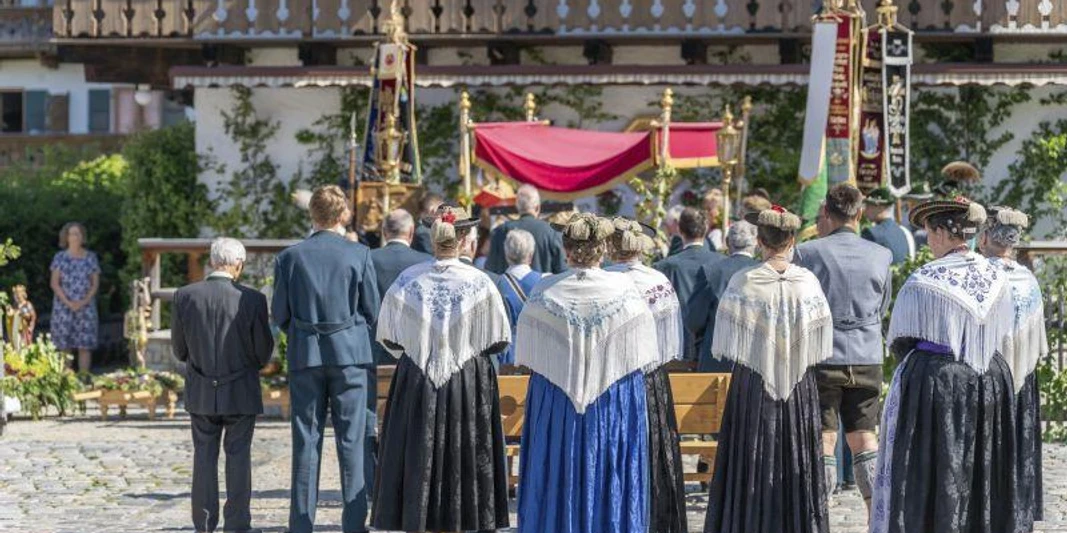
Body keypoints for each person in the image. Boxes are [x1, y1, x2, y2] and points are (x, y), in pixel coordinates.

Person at [871, 196, 1017, 533]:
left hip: (938, 383)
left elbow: (900, 340)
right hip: (989, 377)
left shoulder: (924, 279)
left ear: (939, 232)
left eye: (928, 232)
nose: (928, 240)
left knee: (935, 465)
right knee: (980, 462)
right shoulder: (996, 276)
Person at [372, 205, 512, 533]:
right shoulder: (480, 282)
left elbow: (389, 338)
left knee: (419, 450)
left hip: (418, 377)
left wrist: (421, 349)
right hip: (467, 379)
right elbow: (500, 339)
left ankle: (417, 518)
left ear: (431, 237)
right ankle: (468, 519)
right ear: (463, 239)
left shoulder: (408, 280)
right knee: (466, 451)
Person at [516, 212, 658, 533]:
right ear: (604, 248)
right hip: (611, 396)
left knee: (558, 468)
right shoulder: (624, 288)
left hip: (556, 397)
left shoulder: (545, 288)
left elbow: (525, 349)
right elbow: (643, 349)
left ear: (566, 249)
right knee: (608, 467)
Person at [703, 206, 833, 533]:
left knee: (750, 456)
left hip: (752, 381)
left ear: (760, 241)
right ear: (791, 241)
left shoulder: (742, 281)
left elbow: (725, 339)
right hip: (798, 382)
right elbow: (822, 338)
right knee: (795, 455)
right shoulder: (808, 282)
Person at [272, 185, 381, 533]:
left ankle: (301, 524)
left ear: (313, 214)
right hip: (349, 354)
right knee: (351, 441)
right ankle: (353, 523)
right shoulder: (359, 254)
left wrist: (306, 331)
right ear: (343, 214)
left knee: (306, 440)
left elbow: (280, 314)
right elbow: (372, 310)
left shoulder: (290, 257)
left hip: (307, 353)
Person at [793, 184, 893, 511]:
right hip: (866, 354)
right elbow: (883, 306)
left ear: (826, 213)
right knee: (865, 437)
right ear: (860, 213)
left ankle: (818, 515)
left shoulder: (807, 252)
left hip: (823, 355)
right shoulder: (881, 254)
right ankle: (875, 516)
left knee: (825, 438)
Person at [171, 237, 274, 533]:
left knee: (204, 456)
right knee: (238, 456)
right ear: (238, 265)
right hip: (240, 387)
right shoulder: (253, 299)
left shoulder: (185, 295)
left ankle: (203, 523)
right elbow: (263, 351)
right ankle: (238, 523)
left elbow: (179, 350)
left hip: (201, 388)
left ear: (212, 261)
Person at [605, 217, 687, 533]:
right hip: (650, 376)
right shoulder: (657, 282)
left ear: (612, 245)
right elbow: (670, 344)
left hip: (610, 377)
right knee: (653, 449)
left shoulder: (604, 280)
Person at [979, 205, 1048, 533]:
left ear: (985, 237)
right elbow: (1038, 342)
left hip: (987, 376)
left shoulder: (980, 275)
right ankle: (1017, 515)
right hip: (1022, 379)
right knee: (1017, 450)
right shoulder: (1028, 279)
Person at [685, 220, 760, 372]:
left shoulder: (710, 271)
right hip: (756, 361)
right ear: (756, 243)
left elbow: (694, 320)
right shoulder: (765, 271)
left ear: (727, 242)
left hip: (717, 361)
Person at [654, 207, 724, 363]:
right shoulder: (722, 263)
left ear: (679, 229)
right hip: (714, 348)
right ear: (705, 229)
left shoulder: (664, 266)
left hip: (675, 347)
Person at [49, 222, 100, 373]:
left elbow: (95, 284)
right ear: (66, 237)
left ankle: (84, 379)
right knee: (65, 347)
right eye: (71, 234)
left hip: (86, 307)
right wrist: (69, 303)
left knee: (85, 346)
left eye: (78, 234)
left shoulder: (91, 257)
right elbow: (54, 283)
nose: (75, 237)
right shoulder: (59, 257)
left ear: (82, 237)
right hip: (63, 308)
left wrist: (82, 302)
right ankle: (67, 382)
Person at [486, 184, 565, 274]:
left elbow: (490, 270)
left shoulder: (499, 232)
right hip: (543, 287)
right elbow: (562, 271)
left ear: (517, 207)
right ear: (537, 207)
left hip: (506, 287)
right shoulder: (552, 232)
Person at [494, 229, 542, 367]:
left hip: (506, 354)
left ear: (507, 254)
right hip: (537, 354)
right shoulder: (545, 282)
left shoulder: (496, 283)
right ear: (531, 254)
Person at [861, 187, 915, 264]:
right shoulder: (903, 231)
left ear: (879, 207)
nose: (865, 210)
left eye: (868, 206)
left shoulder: (871, 233)